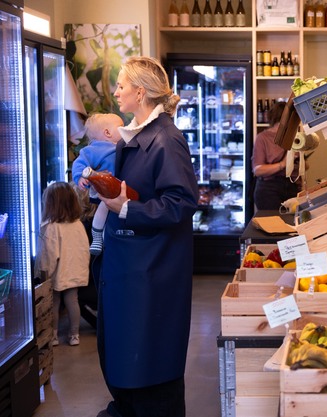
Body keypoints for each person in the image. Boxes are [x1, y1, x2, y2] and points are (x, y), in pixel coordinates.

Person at [93, 56, 199, 417]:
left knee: (149, 368)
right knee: (128, 362)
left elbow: (182, 202)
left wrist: (126, 208)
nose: (116, 92)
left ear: (140, 93)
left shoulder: (166, 140)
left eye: (121, 85)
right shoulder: (137, 136)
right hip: (132, 268)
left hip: (151, 272)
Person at [35, 182, 90, 347]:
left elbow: (49, 255)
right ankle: (74, 335)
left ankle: (53, 335)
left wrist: (43, 273)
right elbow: (84, 249)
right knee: (73, 301)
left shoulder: (52, 227)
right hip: (75, 270)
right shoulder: (78, 224)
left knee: (54, 302)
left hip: (57, 272)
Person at [72, 113, 124, 256]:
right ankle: (97, 236)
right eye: (121, 126)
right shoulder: (94, 149)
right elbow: (79, 163)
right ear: (107, 132)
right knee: (104, 207)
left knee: (111, 212)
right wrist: (80, 177)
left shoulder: (121, 145)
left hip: (116, 186)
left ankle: (105, 236)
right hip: (103, 187)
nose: (125, 128)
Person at [251, 100, 300, 210]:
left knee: (292, 219)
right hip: (269, 190)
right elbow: (258, 170)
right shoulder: (262, 138)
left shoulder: (293, 136)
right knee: (272, 219)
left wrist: (299, 162)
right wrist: (283, 164)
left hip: (291, 187)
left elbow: (305, 167)